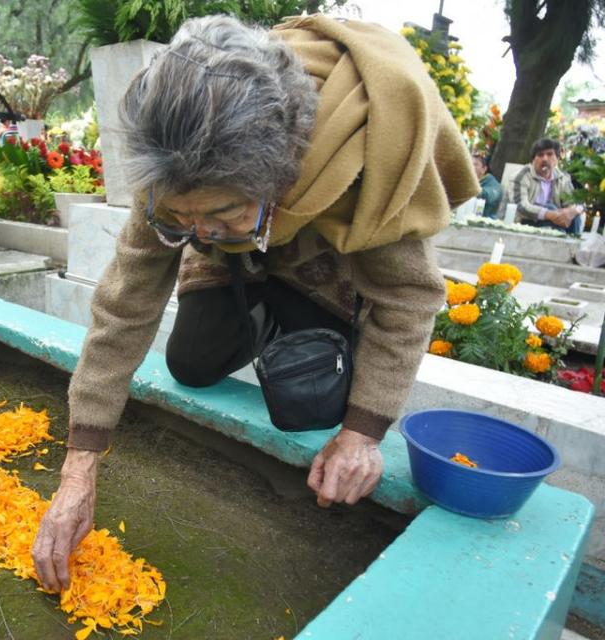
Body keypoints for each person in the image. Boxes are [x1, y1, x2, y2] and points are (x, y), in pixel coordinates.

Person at [31, 15, 478, 592]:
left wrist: (364, 432)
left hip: (325, 253)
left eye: (221, 214)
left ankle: (306, 314)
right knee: (190, 363)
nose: (196, 230)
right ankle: (256, 279)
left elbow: (411, 295)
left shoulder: (357, 151)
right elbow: (125, 306)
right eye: (180, 218)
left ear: (280, 176)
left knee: (312, 403)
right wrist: (79, 463)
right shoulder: (168, 160)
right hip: (249, 247)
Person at [510, 138, 583, 235]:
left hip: (555, 221)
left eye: (549, 154)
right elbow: (520, 206)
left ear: (557, 159)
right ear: (533, 160)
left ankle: (573, 243)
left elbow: (575, 202)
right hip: (526, 221)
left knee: (574, 215)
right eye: (540, 155)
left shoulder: (563, 178)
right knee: (551, 207)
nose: (545, 159)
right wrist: (550, 214)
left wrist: (571, 211)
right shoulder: (522, 175)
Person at [472, 154, 502, 219]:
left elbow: (487, 195)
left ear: (484, 169)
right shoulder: (469, 181)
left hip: (484, 223)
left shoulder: (493, 184)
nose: (471, 167)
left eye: (475, 164)